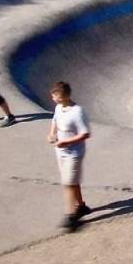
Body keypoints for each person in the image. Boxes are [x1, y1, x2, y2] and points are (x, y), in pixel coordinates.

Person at [48, 81, 91, 231]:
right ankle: (81, 206)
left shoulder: (77, 112)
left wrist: (66, 142)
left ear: (63, 96)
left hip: (74, 153)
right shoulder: (59, 108)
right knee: (72, 182)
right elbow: (55, 121)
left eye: (55, 95)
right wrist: (52, 133)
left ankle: (70, 215)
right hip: (61, 151)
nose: (52, 98)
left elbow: (85, 134)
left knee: (68, 184)